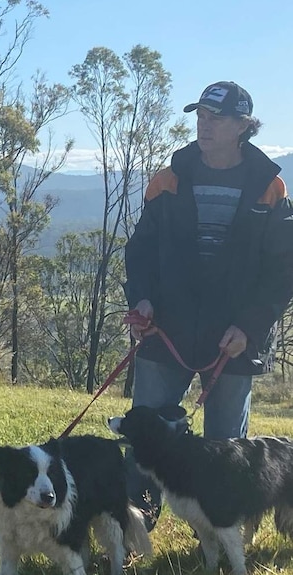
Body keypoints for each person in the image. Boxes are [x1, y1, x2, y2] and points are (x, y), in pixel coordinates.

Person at [124, 80, 293, 529]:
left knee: (227, 449)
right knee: (144, 433)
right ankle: (135, 526)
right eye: (200, 115)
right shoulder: (167, 179)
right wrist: (141, 298)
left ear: (243, 126)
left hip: (233, 341)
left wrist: (250, 327)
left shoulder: (271, 187)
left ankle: (225, 536)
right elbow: (140, 250)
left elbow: (283, 270)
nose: (204, 124)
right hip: (167, 332)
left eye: (215, 117)